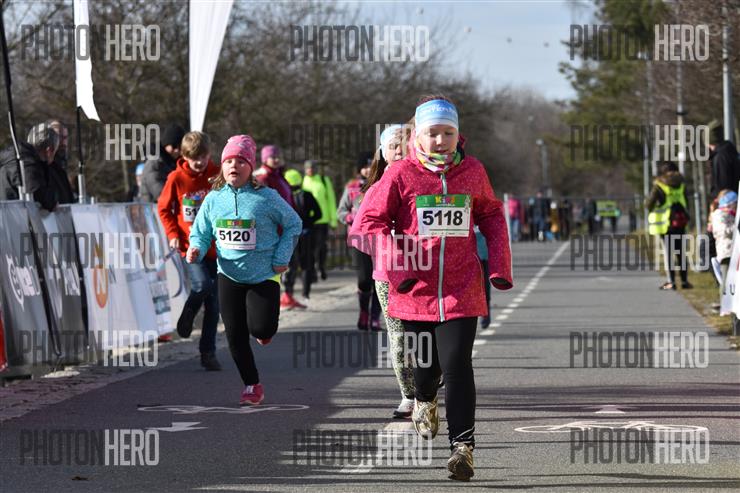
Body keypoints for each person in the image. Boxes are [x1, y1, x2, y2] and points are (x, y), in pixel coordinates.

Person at [356, 96, 513, 481]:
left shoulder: (473, 171)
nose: (440, 140)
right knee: (425, 371)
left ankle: (463, 448)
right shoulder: (400, 174)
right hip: (414, 289)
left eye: (448, 133)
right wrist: (398, 265)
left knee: (458, 364)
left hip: (462, 287)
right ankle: (424, 399)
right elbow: (367, 224)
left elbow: (491, 215)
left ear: (458, 135)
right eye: (432, 133)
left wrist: (499, 266)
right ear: (418, 136)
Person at [187, 135, 302, 405]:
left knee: (262, 328)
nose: (233, 166)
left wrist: (281, 256)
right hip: (229, 275)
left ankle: (263, 332)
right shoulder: (213, 199)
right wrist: (196, 249)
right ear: (222, 167)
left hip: (264, 274)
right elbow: (201, 233)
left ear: (251, 167)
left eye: (240, 161)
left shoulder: (267, 197)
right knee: (234, 335)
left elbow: (294, 224)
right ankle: (252, 385)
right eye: (228, 161)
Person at [349, 124, 416, 418]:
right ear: (383, 152)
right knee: (399, 338)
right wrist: (385, 246)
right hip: (388, 275)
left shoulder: (426, 183)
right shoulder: (375, 188)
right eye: (392, 145)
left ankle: (431, 378)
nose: (399, 150)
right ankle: (408, 395)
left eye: (404, 144)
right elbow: (359, 231)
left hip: (425, 272)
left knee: (427, 334)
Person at [158, 131, 221, 371]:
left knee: (214, 303)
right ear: (184, 156)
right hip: (190, 246)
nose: (200, 162)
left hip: (217, 247)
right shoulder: (176, 178)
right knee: (202, 286)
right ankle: (189, 312)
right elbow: (164, 209)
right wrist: (173, 234)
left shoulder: (217, 174)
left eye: (204, 157)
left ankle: (208, 352)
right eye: (195, 158)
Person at [338, 151, 382, 331]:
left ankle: (375, 317)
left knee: (380, 279)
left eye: (370, 166)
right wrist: (352, 217)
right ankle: (364, 312)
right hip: (358, 240)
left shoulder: (382, 183)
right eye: (364, 167)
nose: (367, 170)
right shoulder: (351, 188)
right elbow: (340, 212)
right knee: (364, 279)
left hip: (379, 239)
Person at [647, 161, 692, 290]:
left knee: (668, 253)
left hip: (665, 224)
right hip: (680, 222)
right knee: (681, 252)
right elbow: (687, 202)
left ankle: (671, 281)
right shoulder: (681, 184)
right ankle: (684, 281)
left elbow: (649, 204)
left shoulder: (659, 185)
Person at [282, 168, 322, 307]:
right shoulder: (307, 195)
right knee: (306, 263)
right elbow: (318, 214)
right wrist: (308, 223)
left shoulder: (283, 196)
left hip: (290, 234)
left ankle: (288, 293)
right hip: (305, 233)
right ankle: (305, 294)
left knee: (291, 264)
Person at [0, 122, 60, 211]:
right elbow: (37, 191)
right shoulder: (27, 163)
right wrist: (52, 202)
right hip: (15, 216)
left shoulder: (11, 158)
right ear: (49, 150)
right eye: (55, 152)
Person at [303, 160, 337, 280]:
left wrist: (333, 219)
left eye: (312, 167)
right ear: (305, 170)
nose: (310, 170)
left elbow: (331, 200)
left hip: (323, 220)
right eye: (308, 168)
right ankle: (312, 271)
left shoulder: (324, 180)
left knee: (321, 246)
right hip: (309, 221)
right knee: (310, 248)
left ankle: (321, 266)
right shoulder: (303, 182)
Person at [139, 123, 185, 202]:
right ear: (166, 144)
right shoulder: (154, 163)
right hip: (154, 207)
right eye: (174, 146)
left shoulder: (176, 163)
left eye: (180, 147)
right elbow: (160, 192)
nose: (177, 150)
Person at [711, 190, 737, 314]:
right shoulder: (718, 215)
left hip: (735, 252)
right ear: (729, 203)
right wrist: (736, 227)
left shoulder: (733, 215)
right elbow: (723, 230)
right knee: (726, 280)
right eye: (735, 203)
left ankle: (734, 304)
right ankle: (725, 306)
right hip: (726, 252)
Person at [47, 120, 75, 204]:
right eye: (59, 137)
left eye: (65, 137)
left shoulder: (62, 166)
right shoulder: (43, 165)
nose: (63, 142)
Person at [708, 125, 740, 197]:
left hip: (728, 200)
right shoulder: (731, 151)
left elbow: (723, 187)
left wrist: (718, 198)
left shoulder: (720, 157)